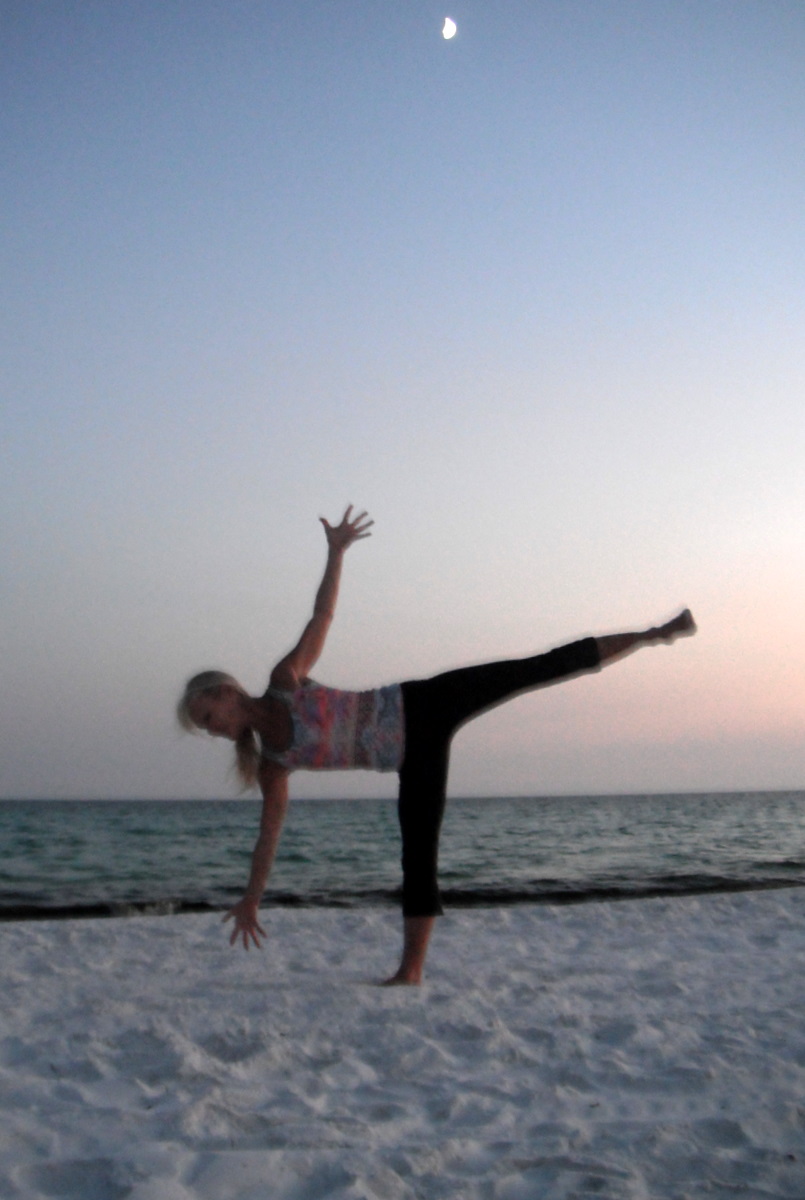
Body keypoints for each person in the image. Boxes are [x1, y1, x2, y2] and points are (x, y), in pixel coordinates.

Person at [177, 507, 696, 985]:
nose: (211, 729)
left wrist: (336, 553)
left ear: (226, 694)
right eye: (204, 726)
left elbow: (322, 619)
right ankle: (411, 972)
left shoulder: (285, 682)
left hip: (422, 703)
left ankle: (653, 633)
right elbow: (267, 838)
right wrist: (251, 898)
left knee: (535, 668)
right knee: (418, 855)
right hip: (412, 758)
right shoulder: (272, 764)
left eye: (207, 718)